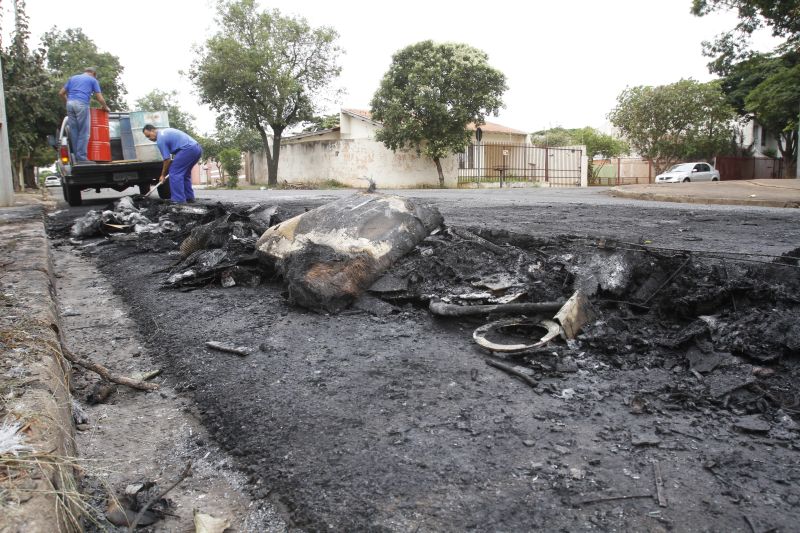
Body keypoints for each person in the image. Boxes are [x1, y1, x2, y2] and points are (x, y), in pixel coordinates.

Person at [58, 67, 110, 162]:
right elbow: (100, 98)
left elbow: (61, 93)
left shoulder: (72, 78)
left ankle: (76, 158)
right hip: (81, 104)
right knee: (84, 132)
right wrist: (105, 107)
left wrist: (68, 102)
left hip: (70, 104)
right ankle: (82, 158)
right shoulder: (93, 80)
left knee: (74, 131)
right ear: (94, 74)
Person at [142, 125, 202, 203]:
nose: (149, 139)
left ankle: (178, 200)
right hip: (197, 149)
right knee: (185, 174)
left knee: (174, 173)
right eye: (147, 137)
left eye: (149, 136)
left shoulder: (160, 139)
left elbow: (167, 159)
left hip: (187, 150)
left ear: (153, 130)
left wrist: (162, 175)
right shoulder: (165, 132)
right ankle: (189, 197)